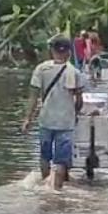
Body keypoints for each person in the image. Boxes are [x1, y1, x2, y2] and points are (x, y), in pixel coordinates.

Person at [21, 35, 85, 191]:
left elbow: (33, 98)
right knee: (61, 161)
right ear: (69, 52)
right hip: (65, 123)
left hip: (46, 121)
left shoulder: (41, 69)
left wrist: (27, 119)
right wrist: (74, 113)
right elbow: (79, 100)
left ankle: (45, 186)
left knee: (45, 157)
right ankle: (56, 190)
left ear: (52, 51)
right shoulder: (74, 73)